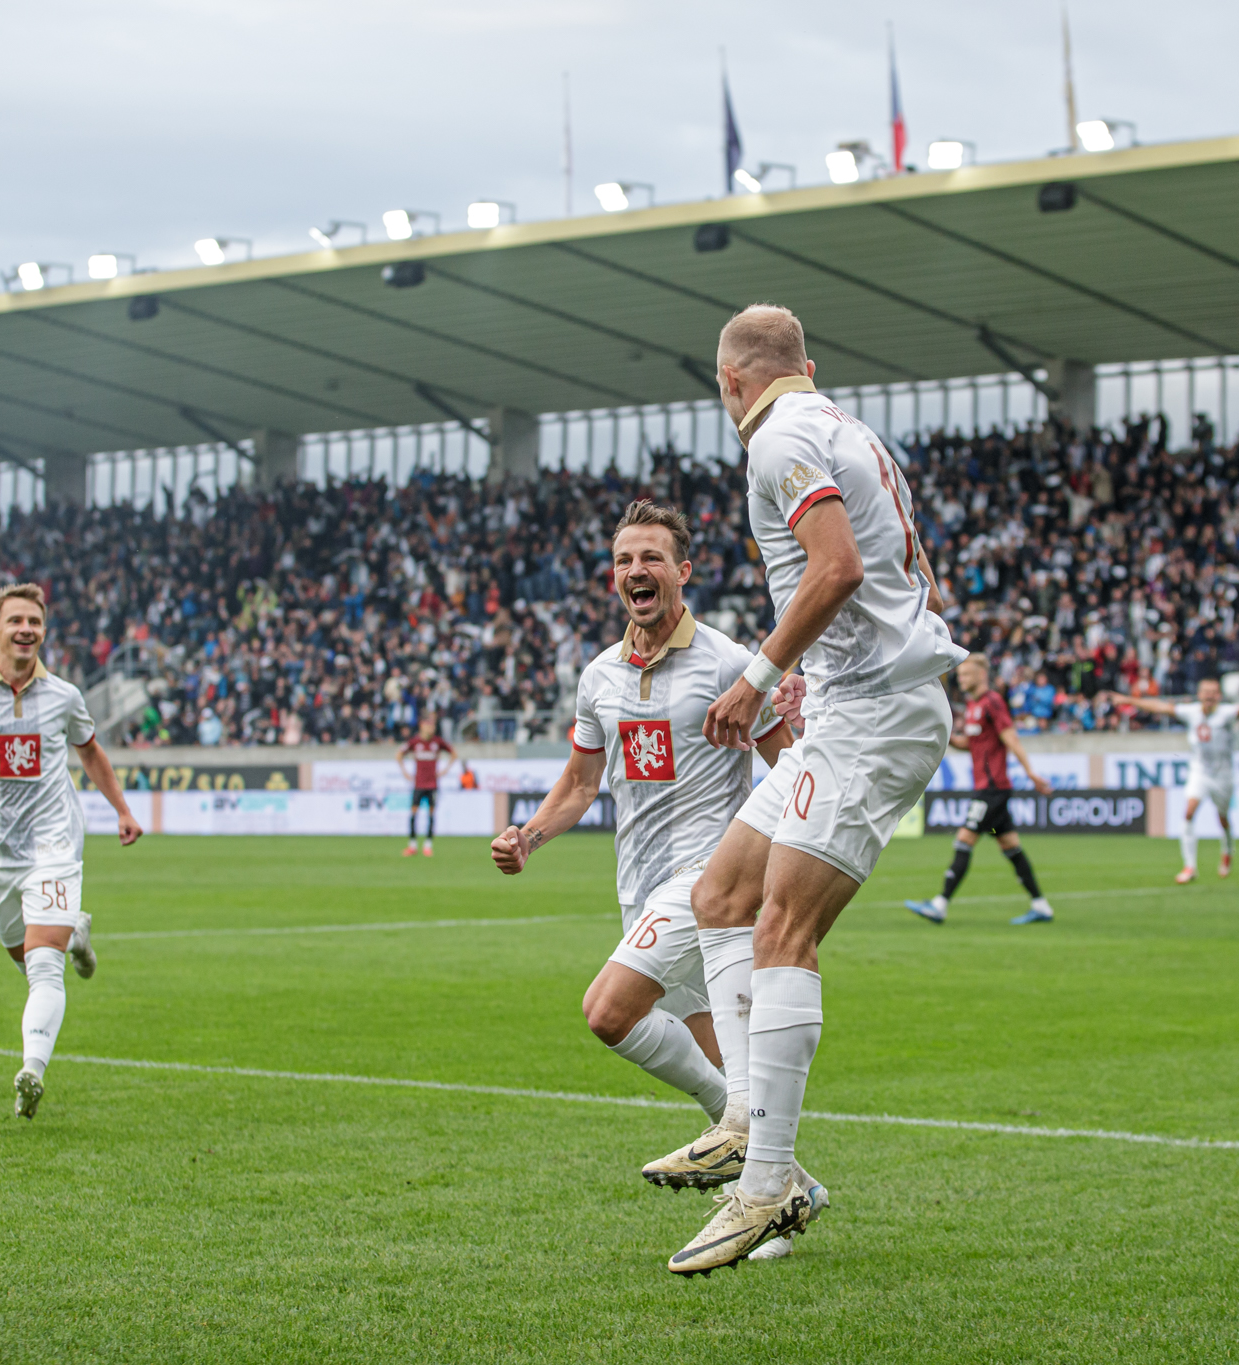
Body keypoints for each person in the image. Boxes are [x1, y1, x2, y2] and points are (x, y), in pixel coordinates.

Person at [662, 303, 966, 1275]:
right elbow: (906, 574)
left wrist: (758, 677)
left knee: (781, 929)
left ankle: (766, 1185)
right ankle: (746, 1120)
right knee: (721, 895)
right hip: (854, 703)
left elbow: (836, 568)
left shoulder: (777, 438)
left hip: (872, 713)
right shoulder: (846, 430)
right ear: (807, 365)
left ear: (730, 382)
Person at [490, 501, 812, 1256]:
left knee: (607, 1012)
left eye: (652, 558)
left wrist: (782, 866)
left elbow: (789, 765)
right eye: (624, 560)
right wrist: (529, 836)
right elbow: (579, 783)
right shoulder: (599, 674)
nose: (637, 570)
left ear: (683, 571)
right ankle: (783, 1186)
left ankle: (746, 1150)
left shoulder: (730, 663)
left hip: (707, 882)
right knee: (727, 1066)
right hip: (638, 886)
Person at [0, 583, 143, 1120]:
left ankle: (31, 1072)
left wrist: (122, 810)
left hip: (53, 842)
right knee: (28, 961)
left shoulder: (64, 695)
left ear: (43, 631)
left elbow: (90, 751)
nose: (26, 630)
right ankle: (76, 932)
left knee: (44, 968)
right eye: (16, 621)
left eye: (34, 622)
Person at [906, 654, 1055, 925]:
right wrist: (943, 734)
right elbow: (971, 744)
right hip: (990, 789)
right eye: (960, 675)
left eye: (966, 674)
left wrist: (1030, 772)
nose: (961, 678)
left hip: (992, 790)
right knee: (1010, 845)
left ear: (982, 675)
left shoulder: (992, 702)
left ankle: (939, 905)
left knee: (964, 839)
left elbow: (1011, 738)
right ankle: (1040, 905)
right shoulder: (974, 705)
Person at [1102, 674, 1239, 884]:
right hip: (1200, 772)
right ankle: (1190, 866)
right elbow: (1160, 707)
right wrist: (1129, 700)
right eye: (1206, 692)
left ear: (1219, 696)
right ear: (1199, 694)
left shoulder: (1226, 713)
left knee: (1222, 818)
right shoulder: (1191, 712)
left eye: (1213, 693)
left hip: (1223, 775)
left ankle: (1227, 851)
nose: (1209, 696)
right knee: (1189, 812)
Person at [398, 715, 456, 857]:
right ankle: (412, 845)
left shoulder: (437, 742)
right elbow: (399, 754)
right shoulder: (415, 742)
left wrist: (445, 770)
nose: (431, 728)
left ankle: (428, 846)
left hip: (432, 785)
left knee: (431, 815)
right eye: (429, 725)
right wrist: (405, 772)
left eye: (433, 726)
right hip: (418, 784)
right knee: (413, 814)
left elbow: (454, 754)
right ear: (422, 726)